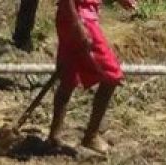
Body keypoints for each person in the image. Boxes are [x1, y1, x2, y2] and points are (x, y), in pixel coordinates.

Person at [48, 0, 137, 154]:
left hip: (70, 18)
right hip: (81, 19)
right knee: (111, 75)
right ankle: (91, 136)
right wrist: (78, 25)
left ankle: (54, 137)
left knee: (69, 76)